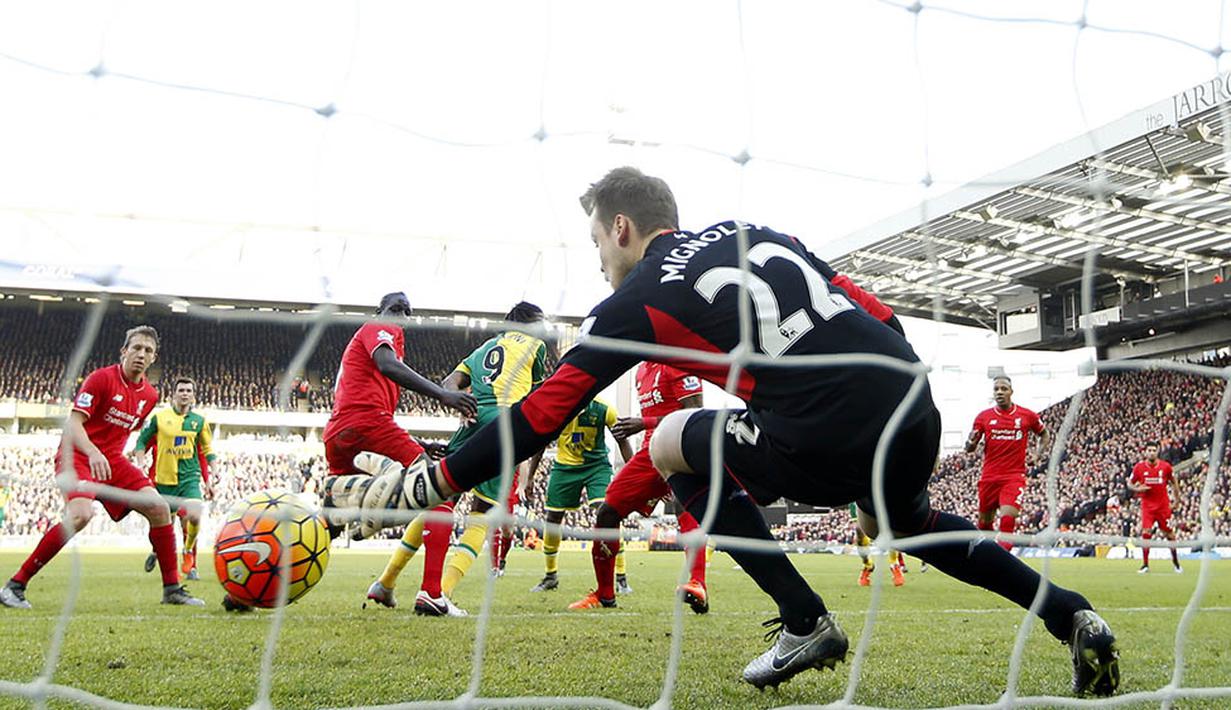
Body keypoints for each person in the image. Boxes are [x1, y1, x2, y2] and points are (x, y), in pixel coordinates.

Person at [334, 167, 1120, 696]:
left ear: (619, 228)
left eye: (596, 245)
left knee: (670, 438)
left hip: (825, 427)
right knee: (905, 523)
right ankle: (1069, 612)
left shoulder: (637, 296)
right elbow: (865, 302)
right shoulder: (756, 230)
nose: (600, 261)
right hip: (910, 398)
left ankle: (806, 621)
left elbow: (545, 413)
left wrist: (435, 479)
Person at [1, 325, 203, 609]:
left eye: (148, 351)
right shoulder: (100, 379)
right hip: (78, 456)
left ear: (154, 358)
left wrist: (121, 461)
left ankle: (172, 588)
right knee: (81, 515)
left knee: (159, 508)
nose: (141, 354)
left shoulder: (150, 396)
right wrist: (94, 451)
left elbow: (123, 434)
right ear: (124, 351)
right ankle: (15, 585)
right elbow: (74, 424)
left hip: (112, 461)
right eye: (136, 348)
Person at [367, 301, 546, 616]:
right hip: (505, 424)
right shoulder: (536, 345)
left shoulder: (487, 347)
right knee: (483, 512)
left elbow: (449, 384)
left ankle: (386, 581)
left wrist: (463, 405)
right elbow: (538, 401)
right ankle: (439, 592)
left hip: (474, 418)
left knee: (442, 497)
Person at [320, 292, 477, 617]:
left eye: (407, 311)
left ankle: (264, 573)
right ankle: (432, 594)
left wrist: (417, 444)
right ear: (380, 311)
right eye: (395, 308)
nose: (401, 315)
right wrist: (443, 395)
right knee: (441, 492)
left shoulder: (377, 342)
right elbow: (386, 366)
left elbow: (367, 398)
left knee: (332, 519)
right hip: (366, 424)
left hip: (340, 433)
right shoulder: (380, 329)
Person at [567, 362, 707, 611]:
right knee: (608, 513)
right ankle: (605, 594)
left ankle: (698, 584)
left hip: (681, 446)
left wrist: (645, 422)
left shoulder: (677, 362)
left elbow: (695, 412)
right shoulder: (642, 370)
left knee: (685, 506)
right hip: (651, 452)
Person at [522, 397, 634, 599]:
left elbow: (623, 440)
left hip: (596, 466)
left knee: (607, 514)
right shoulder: (558, 407)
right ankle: (550, 576)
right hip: (564, 468)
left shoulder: (604, 409)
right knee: (553, 518)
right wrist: (530, 477)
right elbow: (541, 443)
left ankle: (621, 576)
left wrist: (634, 475)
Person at [133, 377, 215, 581]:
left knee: (194, 517)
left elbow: (206, 452)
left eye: (189, 390)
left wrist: (211, 478)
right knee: (164, 526)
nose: (185, 393)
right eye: (181, 390)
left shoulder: (199, 422)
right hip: (163, 480)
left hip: (189, 479)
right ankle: (156, 550)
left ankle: (189, 557)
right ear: (174, 394)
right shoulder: (160, 419)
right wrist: (140, 464)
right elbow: (141, 442)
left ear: (194, 395)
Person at [965, 376, 1050, 552]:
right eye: (996, 389)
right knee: (984, 525)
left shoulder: (1027, 415)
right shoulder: (984, 417)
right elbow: (970, 448)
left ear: (1011, 391)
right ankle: (988, 559)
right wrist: (971, 443)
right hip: (988, 477)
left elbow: (1044, 434)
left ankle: (1003, 561)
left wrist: (1037, 454)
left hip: (1013, 477)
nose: (999, 392)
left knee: (1007, 520)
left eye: (1003, 389)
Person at [1128, 441, 1182, 574]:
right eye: (1149, 450)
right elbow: (1130, 483)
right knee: (1146, 533)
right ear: (1145, 452)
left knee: (1170, 534)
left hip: (1163, 506)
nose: (1152, 452)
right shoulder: (1139, 468)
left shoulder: (1165, 467)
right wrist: (1137, 488)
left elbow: (1174, 482)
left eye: (1154, 450)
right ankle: (1145, 564)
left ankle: (1176, 562)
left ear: (1158, 451)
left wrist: (1177, 499)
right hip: (1147, 507)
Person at [852, 503, 907, 587]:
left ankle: (894, 565)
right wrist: (854, 518)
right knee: (859, 530)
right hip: (865, 504)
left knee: (893, 528)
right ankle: (868, 566)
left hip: (886, 503)